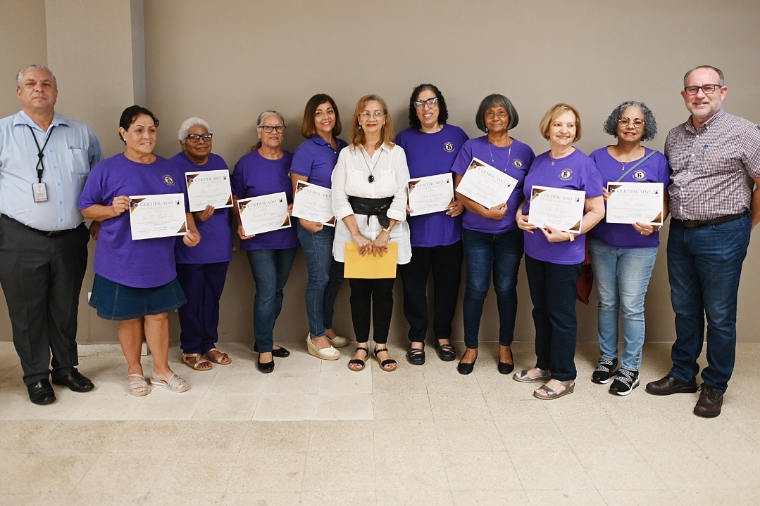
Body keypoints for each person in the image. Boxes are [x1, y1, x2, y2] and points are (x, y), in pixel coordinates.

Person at [645, 65, 760, 418]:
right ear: (683, 95)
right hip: (680, 232)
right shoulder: (675, 136)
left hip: (724, 232)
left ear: (722, 92)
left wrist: (745, 225)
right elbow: (671, 186)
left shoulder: (745, 132)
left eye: (708, 87)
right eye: (692, 89)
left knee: (720, 314)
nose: (700, 94)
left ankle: (715, 384)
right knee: (685, 307)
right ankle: (683, 374)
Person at [80, 105, 200, 396]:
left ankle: (161, 370)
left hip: (159, 258)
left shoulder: (168, 167)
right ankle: (134, 370)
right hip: (121, 258)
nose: (147, 136)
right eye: (138, 130)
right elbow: (86, 206)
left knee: (159, 315)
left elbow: (181, 206)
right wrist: (110, 210)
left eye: (151, 130)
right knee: (130, 316)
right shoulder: (106, 169)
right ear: (123, 133)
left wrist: (190, 230)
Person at [0, 65, 102, 405]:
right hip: (19, 238)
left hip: (72, 237)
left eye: (46, 84)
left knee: (65, 307)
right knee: (26, 312)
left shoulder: (81, 133)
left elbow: (97, 182)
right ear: (19, 92)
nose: (38, 88)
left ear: (56, 92)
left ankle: (65, 367)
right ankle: (36, 377)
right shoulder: (4, 133)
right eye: (31, 83)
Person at [514, 103, 604, 400]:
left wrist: (569, 233)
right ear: (547, 128)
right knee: (540, 310)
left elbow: (597, 210)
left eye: (570, 125)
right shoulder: (539, 162)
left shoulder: (584, 164)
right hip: (535, 250)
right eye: (558, 124)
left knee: (561, 314)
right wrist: (518, 216)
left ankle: (564, 375)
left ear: (576, 131)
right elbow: (527, 200)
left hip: (565, 254)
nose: (564, 130)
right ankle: (544, 365)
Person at [588, 101, 669, 396]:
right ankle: (607, 358)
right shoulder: (596, 157)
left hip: (640, 245)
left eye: (637, 121)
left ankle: (630, 367)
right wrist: (597, 198)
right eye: (624, 120)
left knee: (632, 307)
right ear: (615, 124)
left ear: (646, 127)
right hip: (602, 241)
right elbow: (584, 196)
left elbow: (663, 201)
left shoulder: (657, 161)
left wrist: (657, 223)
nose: (631, 126)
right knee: (607, 304)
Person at [451, 94, 535, 375]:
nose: (496, 117)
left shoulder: (525, 151)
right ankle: (471, 347)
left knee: (505, 288)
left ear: (510, 115)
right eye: (489, 113)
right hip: (476, 232)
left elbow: (531, 193)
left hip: (511, 234)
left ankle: (505, 346)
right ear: (482, 119)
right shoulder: (470, 146)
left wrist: (520, 209)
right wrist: (485, 213)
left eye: (501, 112)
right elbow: (460, 190)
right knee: (476, 288)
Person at [332, 94, 410, 372]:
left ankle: (381, 345)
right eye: (366, 113)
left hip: (388, 228)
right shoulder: (347, 154)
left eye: (378, 113)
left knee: (385, 290)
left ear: (385, 119)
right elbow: (338, 197)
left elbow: (402, 194)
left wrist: (386, 232)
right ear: (358, 119)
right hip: (354, 228)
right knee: (359, 291)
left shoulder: (396, 153)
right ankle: (362, 345)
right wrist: (357, 234)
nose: (372, 118)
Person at [395, 84, 468, 365]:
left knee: (448, 286)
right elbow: (394, 179)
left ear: (440, 104)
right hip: (414, 230)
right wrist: (402, 201)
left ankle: (443, 336)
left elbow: (468, 176)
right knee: (413, 287)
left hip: (450, 228)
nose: (426, 107)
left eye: (431, 101)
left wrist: (462, 201)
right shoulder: (404, 139)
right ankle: (416, 338)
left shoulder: (457, 135)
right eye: (420, 103)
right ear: (414, 109)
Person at [230, 110, 297, 373]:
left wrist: (296, 205)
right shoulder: (246, 163)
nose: (273, 132)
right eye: (268, 128)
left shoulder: (293, 160)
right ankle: (266, 348)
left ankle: (262, 339)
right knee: (267, 290)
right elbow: (234, 198)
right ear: (259, 131)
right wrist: (241, 222)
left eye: (278, 128)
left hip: (288, 237)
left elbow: (306, 191)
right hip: (257, 239)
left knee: (278, 290)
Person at [291, 94, 349, 360]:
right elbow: (298, 188)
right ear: (310, 119)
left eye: (329, 111)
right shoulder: (306, 149)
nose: (326, 117)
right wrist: (303, 219)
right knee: (319, 278)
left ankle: (325, 327)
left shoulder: (344, 147)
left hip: (342, 224)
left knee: (336, 277)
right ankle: (315, 336)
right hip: (315, 225)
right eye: (318, 113)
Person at [173, 117, 233, 371]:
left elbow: (228, 198)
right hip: (191, 247)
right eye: (194, 137)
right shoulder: (173, 166)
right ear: (182, 142)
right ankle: (190, 348)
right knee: (191, 298)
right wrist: (194, 217)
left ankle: (208, 344)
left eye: (206, 136)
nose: (201, 142)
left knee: (212, 297)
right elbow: (170, 205)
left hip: (219, 245)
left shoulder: (218, 162)